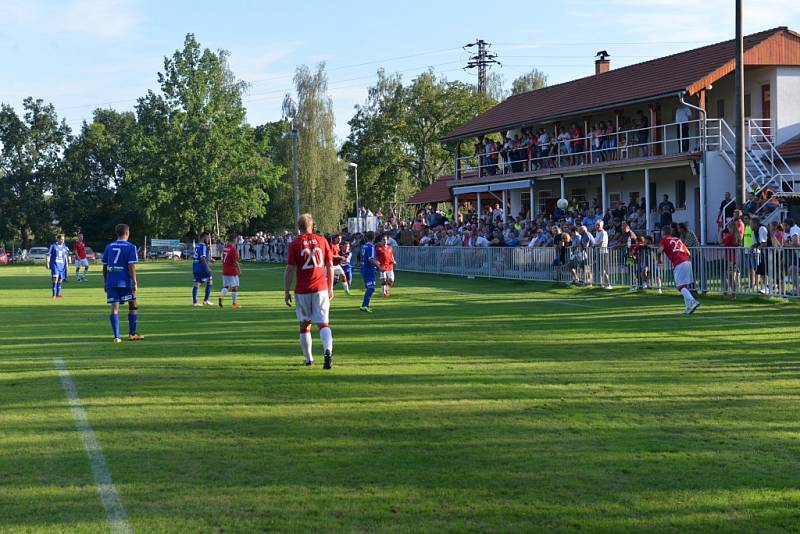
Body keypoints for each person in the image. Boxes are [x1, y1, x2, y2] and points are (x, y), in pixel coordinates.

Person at [284, 213, 334, 369]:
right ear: (312, 225)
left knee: (304, 325)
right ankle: (327, 350)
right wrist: (331, 286)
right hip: (321, 288)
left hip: (303, 290)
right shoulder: (322, 240)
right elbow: (330, 265)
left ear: (299, 227)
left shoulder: (294, 244)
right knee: (323, 324)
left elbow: (290, 269)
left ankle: (309, 359)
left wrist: (286, 291)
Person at [102, 224, 143, 343]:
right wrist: (134, 281)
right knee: (133, 305)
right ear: (127, 233)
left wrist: (105, 282)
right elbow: (131, 265)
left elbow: (104, 267)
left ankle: (117, 337)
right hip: (125, 282)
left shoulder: (109, 246)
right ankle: (132, 334)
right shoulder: (131, 247)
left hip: (112, 281)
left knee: (114, 308)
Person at [658, 225, 700, 314]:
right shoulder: (678, 239)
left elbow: (659, 251)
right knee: (684, 286)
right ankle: (688, 308)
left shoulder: (664, 240)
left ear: (663, 233)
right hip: (687, 261)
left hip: (679, 263)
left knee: (680, 287)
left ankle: (692, 301)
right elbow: (688, 252)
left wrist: (659, 260)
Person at [360, 231, 381, 312]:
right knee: (371, 288)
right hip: (369, 269)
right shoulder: (371, 246)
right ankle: (364, 305)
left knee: (369, 287)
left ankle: (366, 305)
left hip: (364, 268)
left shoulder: (363, 246)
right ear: (374, 237)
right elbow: (370, 259)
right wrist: (379, 266)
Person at [218, 234, 240, 308]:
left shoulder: (225, 248)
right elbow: (235, 261)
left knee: (226, 286)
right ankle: (234, 303)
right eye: (236, 239)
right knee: (235, 287)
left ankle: (221, 296)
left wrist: (222, 269)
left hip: (225, 270)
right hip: (232, 271)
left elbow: (222, 260)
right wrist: (239, 270)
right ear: (234, 240)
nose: (237, 241)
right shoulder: (233, 249)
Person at [192, 232, 214, 306]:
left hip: (195, 267)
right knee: (210, 281)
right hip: (202, 267)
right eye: (207, 238)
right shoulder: (203, 246)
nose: (208, 239)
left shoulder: (197, 245)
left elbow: (200, 256)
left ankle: (195, 302)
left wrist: (209, 259)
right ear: (203, 237)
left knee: (197, 283)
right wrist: (207, 267)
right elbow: (202, 258)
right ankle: (206, 300)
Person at [46, 234, 70, 299]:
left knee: (60, 280)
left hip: (62, 265)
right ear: (58, 239)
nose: (63, 240)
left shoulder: (64, 247)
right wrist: (47, 263)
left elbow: (65, 256)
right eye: (61, 239)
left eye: (63, 239)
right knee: (55, 279)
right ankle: (53, 295)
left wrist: (67, 263)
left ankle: (58, 294)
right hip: (54, 264)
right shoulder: (53, 246)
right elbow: (48, 254)